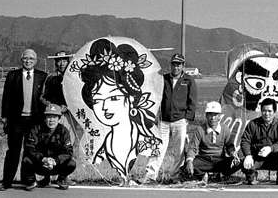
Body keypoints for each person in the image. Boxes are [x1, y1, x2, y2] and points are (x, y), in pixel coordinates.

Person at [78, 38, 161, 186]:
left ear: (130, 98)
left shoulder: (148, 139)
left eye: (114, 98)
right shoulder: (101, 147)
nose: (104, 107)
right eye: (97, 100)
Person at [0, 49, 47, 191]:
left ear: (36, 61)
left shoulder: (42, 76)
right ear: (21, 60)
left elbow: (46, 97)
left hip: (35, 121)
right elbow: (6, 97)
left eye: (31, 58)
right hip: (16, 121)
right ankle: (6, 182)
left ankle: (27, 181)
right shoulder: (13, 75)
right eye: (25, 58)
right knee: (13, 151)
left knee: (30, 152)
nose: (28, 61)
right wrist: (4, 117)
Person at [144, 53, 197, 183]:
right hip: (164, 121)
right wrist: (155, 116)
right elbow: (156, 98)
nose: (176, 67)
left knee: (179, 150)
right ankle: (150, 175)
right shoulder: (164, 79)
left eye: (179, 64)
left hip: (180, 120)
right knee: (158, 148)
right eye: (174, 64)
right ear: (171, 65)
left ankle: (174, 176)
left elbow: (192, 101)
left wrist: (187, 118)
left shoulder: (189, 80)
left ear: (183, 66)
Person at [21, 104, 76, 191]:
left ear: (59, 119)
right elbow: (30, 148)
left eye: (54, 117)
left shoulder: (64, 131)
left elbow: (68, 152)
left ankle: (61, 179)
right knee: (26, 160)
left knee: (71, 163)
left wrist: (56, 160)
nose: (51, 120)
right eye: (49, 117)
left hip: (56, 165)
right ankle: (31, 181)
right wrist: (43, 159)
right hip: (41, 164)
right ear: (45, 118)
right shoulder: (36, 129)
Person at [182, 101, 240, 181]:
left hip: (220, 160)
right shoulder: (200, 129)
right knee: (187, 166)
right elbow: (193, 148)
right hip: (204, 159)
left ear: (219, 116)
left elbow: (229, 146)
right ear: (206, 115)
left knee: (240, 162)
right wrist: (189, 161)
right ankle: (204, 175)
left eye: (215, 115)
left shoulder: (225, 129)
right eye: (210, 115)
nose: (213, 118)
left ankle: (221, 174)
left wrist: (233, 153)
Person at [240, 98, 278, 186]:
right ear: (261, 111)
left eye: (269, 111)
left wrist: (270, 148)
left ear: (274, 112)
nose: (266, 114)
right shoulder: (252, 124)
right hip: (257, 156)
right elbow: (245, 140)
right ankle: (252, 176)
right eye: (264, 111)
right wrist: (248, 155)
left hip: (274, 157)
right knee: (244, 160)